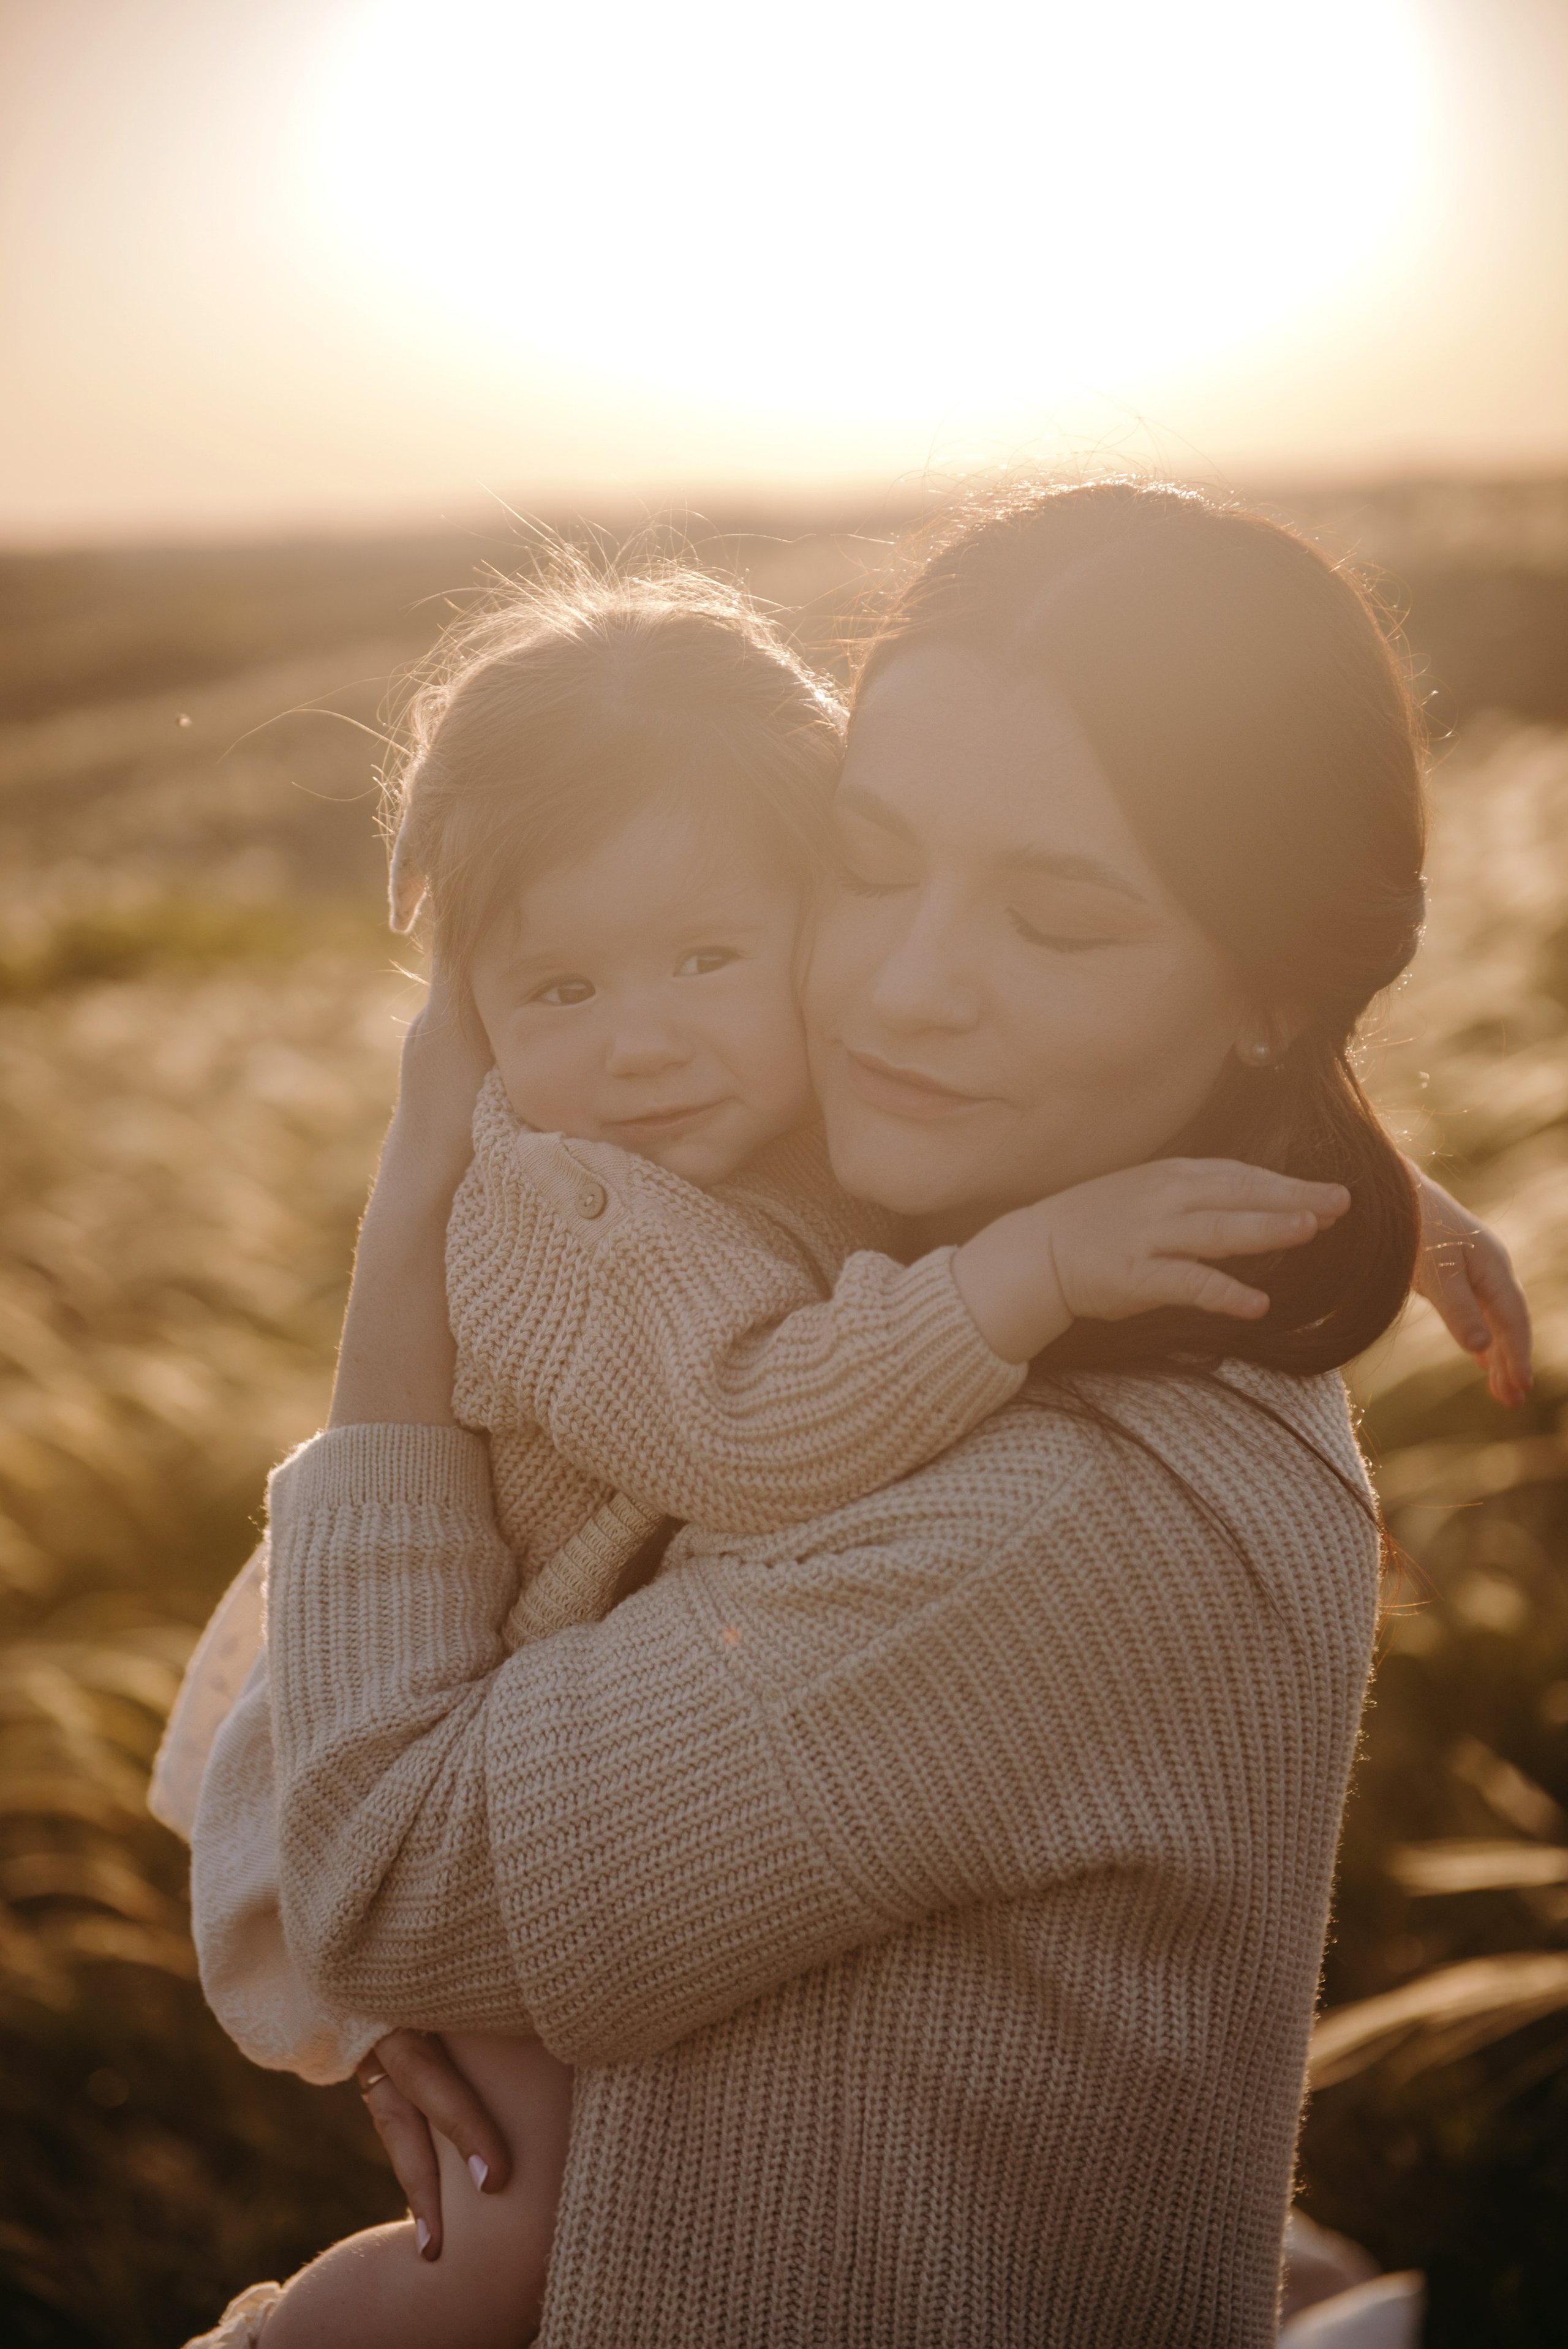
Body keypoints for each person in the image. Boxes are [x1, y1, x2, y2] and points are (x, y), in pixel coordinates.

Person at [191, 483, 1532, 2348]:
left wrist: (417, 1185)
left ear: (1274, 990)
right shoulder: (1019, 1218)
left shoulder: (1057, 1529)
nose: (899, 991)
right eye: (871, 862)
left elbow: (391, 1882)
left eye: (1056, 921)